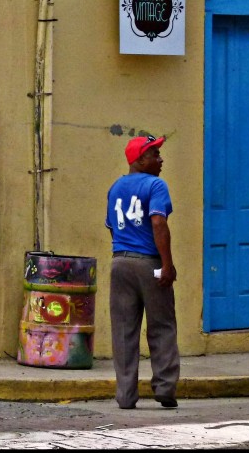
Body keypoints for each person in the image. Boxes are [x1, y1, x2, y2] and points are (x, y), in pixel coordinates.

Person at [105, 135, 179, 410]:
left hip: (119, 262)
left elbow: (111, 226)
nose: (161, 160)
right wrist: (167, 265)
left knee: (124, 330)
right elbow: (159, 223)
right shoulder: (156, 185)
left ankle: (125, 395)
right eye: (155, 154)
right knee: (162, 326)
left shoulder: (115, 188)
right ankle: (165, 389)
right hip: (149, 263)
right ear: (139, 160)